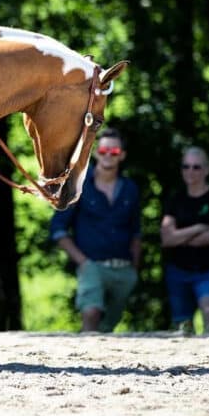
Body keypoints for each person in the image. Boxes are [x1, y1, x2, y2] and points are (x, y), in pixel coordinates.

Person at [49, 128, 142, 332]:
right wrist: (83, 262)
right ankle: (84, 361)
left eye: (114, 152)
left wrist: (134, 269)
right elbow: (58, 228)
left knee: (110, 323)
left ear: (122, 155)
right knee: (91, 314)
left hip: (123, 269)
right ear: (96, 152)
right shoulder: (78, 185)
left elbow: (136, 232)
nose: (108, 155)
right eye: (103, 150)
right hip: (92, 266)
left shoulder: (130, 189)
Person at [160, 146, 209, 333]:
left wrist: (179, 236)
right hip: (177, 270)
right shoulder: (175, 198)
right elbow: (166, 238)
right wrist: (198, 228)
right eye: (186, 166)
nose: (190, 171)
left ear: (207, 169)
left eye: (196, 167)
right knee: (183, 327)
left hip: (207, 270)